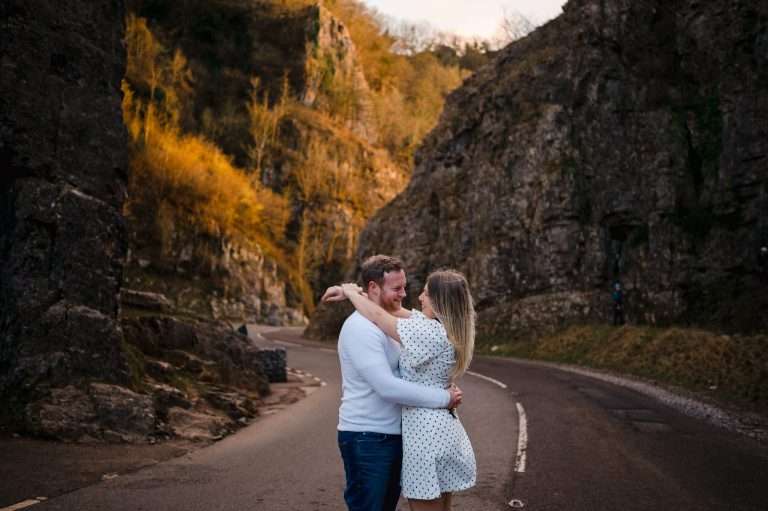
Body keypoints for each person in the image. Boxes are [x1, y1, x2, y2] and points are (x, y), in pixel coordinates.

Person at [327, 266, 477, 511]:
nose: (417, 297)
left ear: (439, 302)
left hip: (425, 435)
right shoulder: (440, 327)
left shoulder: (426, 331)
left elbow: (380, 316)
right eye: (398, 288)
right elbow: (392, 311)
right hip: (441, 429)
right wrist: (358, 293)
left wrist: (351, 293)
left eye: (425, 293)